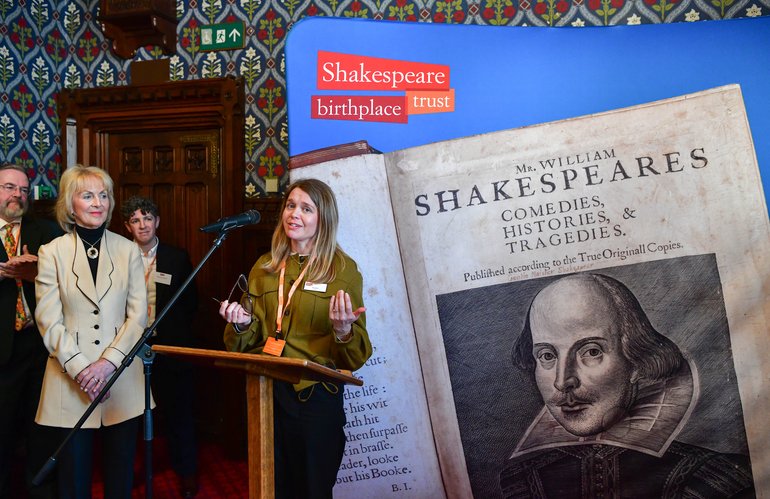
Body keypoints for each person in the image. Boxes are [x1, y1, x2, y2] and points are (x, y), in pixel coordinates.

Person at [500, 273, 755, 498]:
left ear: (635, 361)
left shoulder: (714, 479)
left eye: (591, 351)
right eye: (547, 355)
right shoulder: (521, 481)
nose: (562, 381)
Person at [219, 178, 372, 499]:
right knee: (270, 487)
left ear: (323, 219)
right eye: (290, 206)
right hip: (266, 395)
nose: (294, 214)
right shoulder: (264, 267)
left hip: (313, 399)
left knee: (312, 490)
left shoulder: (342, 271)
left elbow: (355, 357)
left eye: (306, 208)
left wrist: (344, 331)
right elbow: (244, 340)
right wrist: (242, 324)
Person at [34, 165, 148, 499]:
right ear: (70, 205)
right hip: (70, 380)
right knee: (73, 477)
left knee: (120, 473)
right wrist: (83, 368)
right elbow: (48, 320)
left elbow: (138, 315)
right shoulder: (51, 252)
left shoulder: (128, 250)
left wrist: (108, 364)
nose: (98, 202)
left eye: (104, 195)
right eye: (87, 195)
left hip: (122, 378)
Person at [120, 195, 200, 498]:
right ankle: (135, 469)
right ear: (128, 226)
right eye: (136, 220)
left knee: (179, 414)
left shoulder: (176, 257)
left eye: (148, 218)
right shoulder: (119, 257)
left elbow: (190, 303)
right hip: (131, 349)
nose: (143, 224)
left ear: (157, 222)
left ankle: (187, 473)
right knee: (133, 416)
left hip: (170, 347)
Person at [0, 163, 61, 499]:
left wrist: (38, 271)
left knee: (41, 429)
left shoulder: (46, 231)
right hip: (2, 352)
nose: (17, 196)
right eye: (10, 187)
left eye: (23, 190)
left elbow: (67, 280)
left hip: (38, 348)